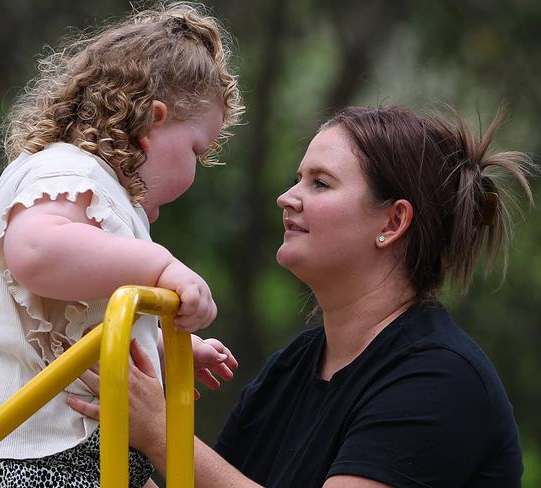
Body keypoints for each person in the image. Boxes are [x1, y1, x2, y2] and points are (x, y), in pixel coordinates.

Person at [72, 105, 535, 487]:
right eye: (298, 178)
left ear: (392, 223)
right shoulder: (291, 368)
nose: (286, 198)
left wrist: (159, 429)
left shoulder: (441, 379)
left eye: (320, 183)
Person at [0, 2, 243, 488]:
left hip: (36, 454)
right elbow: (37, 252)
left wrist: (160, 345)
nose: (194, 173)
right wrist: (162, 267)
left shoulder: (93, 190)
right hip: (9, 461)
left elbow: (74, 319)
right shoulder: (69, 173)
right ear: (152, 124)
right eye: (196, 152)